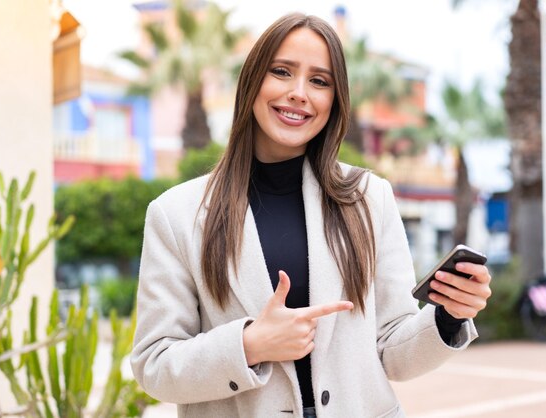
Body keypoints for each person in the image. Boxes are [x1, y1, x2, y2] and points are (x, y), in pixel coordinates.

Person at [131, 12, 492, 418]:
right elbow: (154, 366)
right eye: (282, 72)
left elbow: (394, 352)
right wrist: (249, 345)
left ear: (334, 102)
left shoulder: (370, 198)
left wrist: (448, 315)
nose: (299, 93)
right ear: (252, 83)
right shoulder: (175, 215)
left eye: (319, 81)